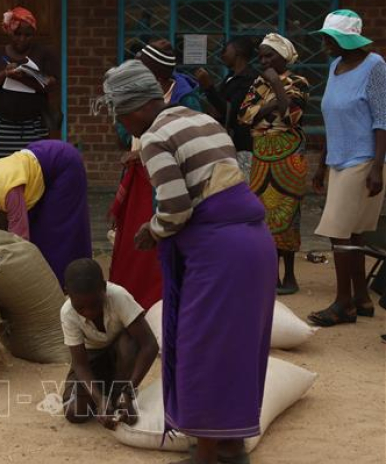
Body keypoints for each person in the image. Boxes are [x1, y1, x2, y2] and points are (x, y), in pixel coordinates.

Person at [95, 60, 276, 464]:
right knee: (238, 347)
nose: (125, 127)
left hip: (220, 250)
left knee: (200, 347)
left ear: (137, 107)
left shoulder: (156, 136)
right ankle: (231, 444)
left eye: (122, 116)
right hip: (253, 243)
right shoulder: (201, 119)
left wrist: (152, 231)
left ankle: (207, 453)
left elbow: (175, 209)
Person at [107, 40, 201, 310]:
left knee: (164, 238)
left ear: (156, 75)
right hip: (139, 181)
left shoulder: (186, 98)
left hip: (168, 182)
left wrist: (145, 152)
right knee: (133, 244)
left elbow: (186, 143)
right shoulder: (136, 97)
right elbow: (126, 135)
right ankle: (131, 302)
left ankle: (162, 303)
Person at [307, 10, 386, 326]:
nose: (324, 43)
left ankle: (343, 304)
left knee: (337, 232)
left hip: (364, 159)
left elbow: (382, 119)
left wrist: (378, 166)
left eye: (329, 38)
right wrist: (322, 164)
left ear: (346, 39)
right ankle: (361, 299)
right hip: (338, 159)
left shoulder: (375, 66)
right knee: (349, 233)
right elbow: (331, 116)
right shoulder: (334, 67)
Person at [0, 140, 91, 286]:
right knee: (35, 228)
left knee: (54, 231)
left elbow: (19, 240)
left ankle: (64, 283)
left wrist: (6, 275)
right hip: (37, 161)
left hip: (64, 163)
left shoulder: (8, 191)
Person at [239, 33, 309, 295]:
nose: (264, 60)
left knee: (288, 216)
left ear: (284, 57)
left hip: (288, 157)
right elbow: (244, 117)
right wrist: (273, 104)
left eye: (270, 55)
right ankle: (271, 275)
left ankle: (290, 275)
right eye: (262, 55)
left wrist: (274, 88)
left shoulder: (299, 82)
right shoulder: (257, 83)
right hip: (262, 157)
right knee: (264, 216)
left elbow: (292, 117)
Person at [60, 258, 158, 429]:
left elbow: (149, 345)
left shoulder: (119, 297)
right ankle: (107, 397)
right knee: (75, 412)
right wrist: (99, 400)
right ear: (67, 292)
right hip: (92, 361)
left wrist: (128, 390)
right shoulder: (67, 313)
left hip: (120, 357)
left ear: (104, 288)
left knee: (128, 343)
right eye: (80, 307)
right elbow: (81, 364)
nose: (89, 312)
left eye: (95, 304)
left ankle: (121, 394)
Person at [0, 6, 59, 159]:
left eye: (27, 35)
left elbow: (51, 85)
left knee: (34, 169)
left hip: (35, 126)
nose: (22, 39)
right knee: (4, 172)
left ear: (33, 34)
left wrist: (23, 77)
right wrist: (4, 74)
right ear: (9, 31)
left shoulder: (43, 53)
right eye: (17, 34)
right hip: (4, 127)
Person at [195, 37, 259, 177]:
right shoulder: (231, 77)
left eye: (226, 50)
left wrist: (209, 88)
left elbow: (233, 111)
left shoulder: (250, 78)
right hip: (227, 144)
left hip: (242, 146)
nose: (222, 54)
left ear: (239, 51)